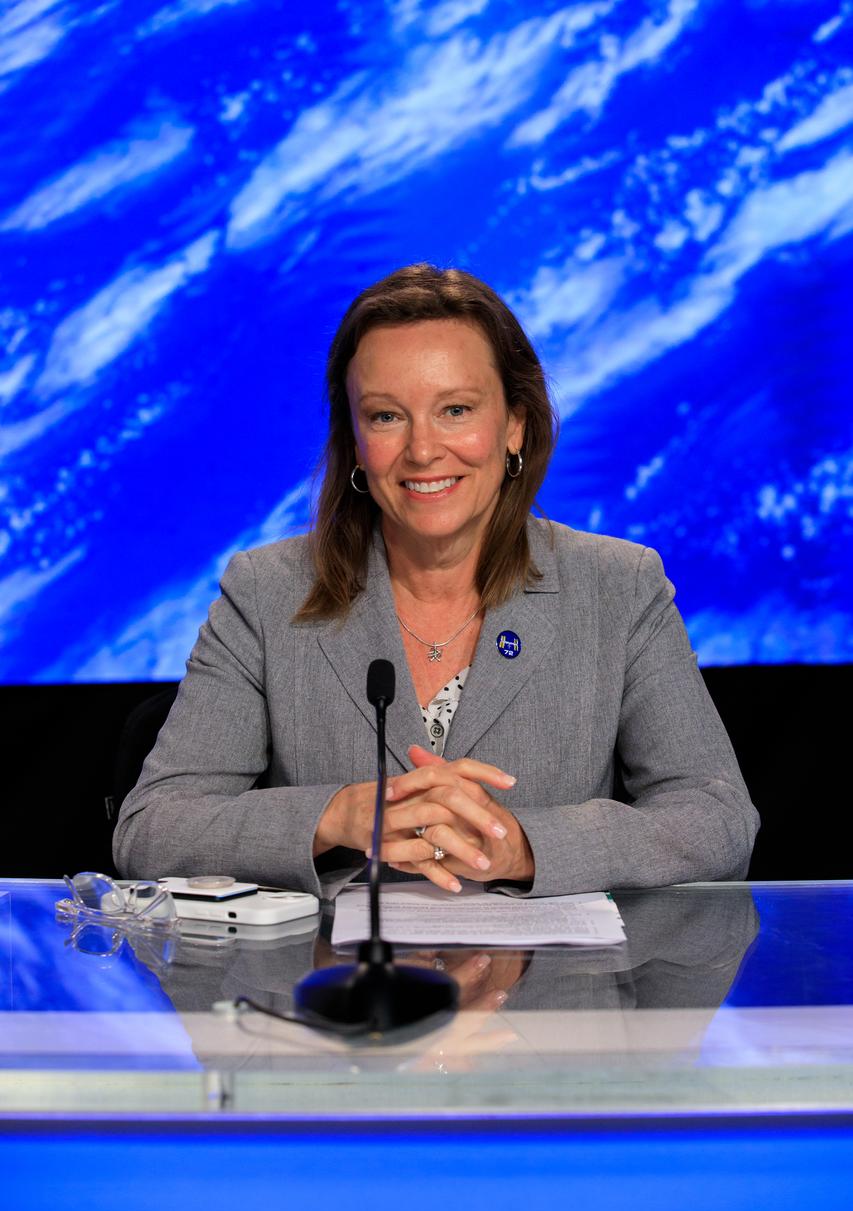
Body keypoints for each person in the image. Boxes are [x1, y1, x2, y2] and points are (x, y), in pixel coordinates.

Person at [114, 264, 759, 897]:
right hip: (343, 991)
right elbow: (152, 830)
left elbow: (717, 818)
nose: (423, 451)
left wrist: (525, 847)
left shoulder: (618, 588)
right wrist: (334, 816)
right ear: (356, 441)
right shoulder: (266, 590)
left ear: (515, 426)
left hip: (556, 996)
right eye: (387, 417)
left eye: (455, 409)